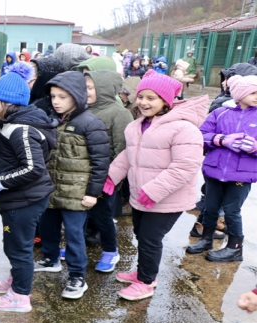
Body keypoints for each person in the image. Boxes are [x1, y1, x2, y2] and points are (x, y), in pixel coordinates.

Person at [104, 70, 206, 301]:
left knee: (150, 238)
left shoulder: (183, 128)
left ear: (166, 101)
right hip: (142, 195)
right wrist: (112, 177)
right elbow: (127, 156)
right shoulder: (136, 126)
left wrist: (154, 191)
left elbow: (185, 166)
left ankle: (146, 282)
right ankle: (144, 272)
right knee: (141, 234)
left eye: (152, 98)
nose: (143, 102)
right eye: (141, 97)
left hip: (168, 198)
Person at [0, 63, 57, 312]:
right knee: (13, 243)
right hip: (18, 199)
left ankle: (20, 296)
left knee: (19, 247)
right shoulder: (11, 122)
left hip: (24, 201)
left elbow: (34, 168)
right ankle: (17, 280)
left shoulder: (22, 130)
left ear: (7, 102)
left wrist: (0, 182)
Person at [35, 71, 110, 300]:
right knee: (48, 227)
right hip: (52, 190)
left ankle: (77, 277)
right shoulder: (51, 120)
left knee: (75, 235)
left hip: (77, 194)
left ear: (76, 97)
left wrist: (93, 193)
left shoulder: (91, 123)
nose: (56, 101)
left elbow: (101, 162)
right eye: (53, 96)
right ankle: (51, 258)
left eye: (62, 97)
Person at [185, 75, 257, 262]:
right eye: (253, 92)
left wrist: (255, 148)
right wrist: (221, 140)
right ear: (240, 94)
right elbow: (200, 135)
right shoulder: (220, 113)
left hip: (241, 174)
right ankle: (206, 239)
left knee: (232, 211)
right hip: (215, 170)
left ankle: (234, 247)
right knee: (210, 207)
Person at [81, 70, 134, 267]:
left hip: (105, 178)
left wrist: (112, 178)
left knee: (103, 216)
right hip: (82, 175)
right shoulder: (84, 109)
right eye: (85, 87)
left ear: (103, 88)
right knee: (81, 215)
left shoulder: (119, 113)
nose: (86, 91)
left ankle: (111, 250)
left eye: (91, 87)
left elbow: (123, 149)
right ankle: (75, 248)